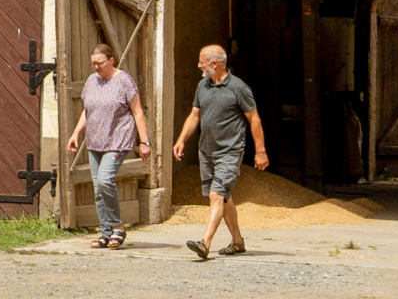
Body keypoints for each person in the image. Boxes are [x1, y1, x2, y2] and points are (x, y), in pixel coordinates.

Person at [170, 43, 267, 261]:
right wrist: (181, 139)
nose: (198, 65)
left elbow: (254, 119)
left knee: (216, 194)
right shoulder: (202, 86)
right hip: (207, 152)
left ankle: (205, 243)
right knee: (224, 198)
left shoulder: (239, 88)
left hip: (230, 152)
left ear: (214, 64)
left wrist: (260, 152)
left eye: (201, 62)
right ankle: (238, 242)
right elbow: (195, 115)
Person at [62, 42, 150, 249]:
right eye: (93, 63)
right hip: (95, 141)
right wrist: (76, 133)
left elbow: (137, 112)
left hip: (118, 140)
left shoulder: (124, 80)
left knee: (105, 179)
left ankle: (118, 227)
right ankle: (105, 232)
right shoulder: (92, 81)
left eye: (100, 63)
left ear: (111, 60)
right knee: (98, 189)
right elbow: (87, 110)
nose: (96, 67)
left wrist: (145, 142)